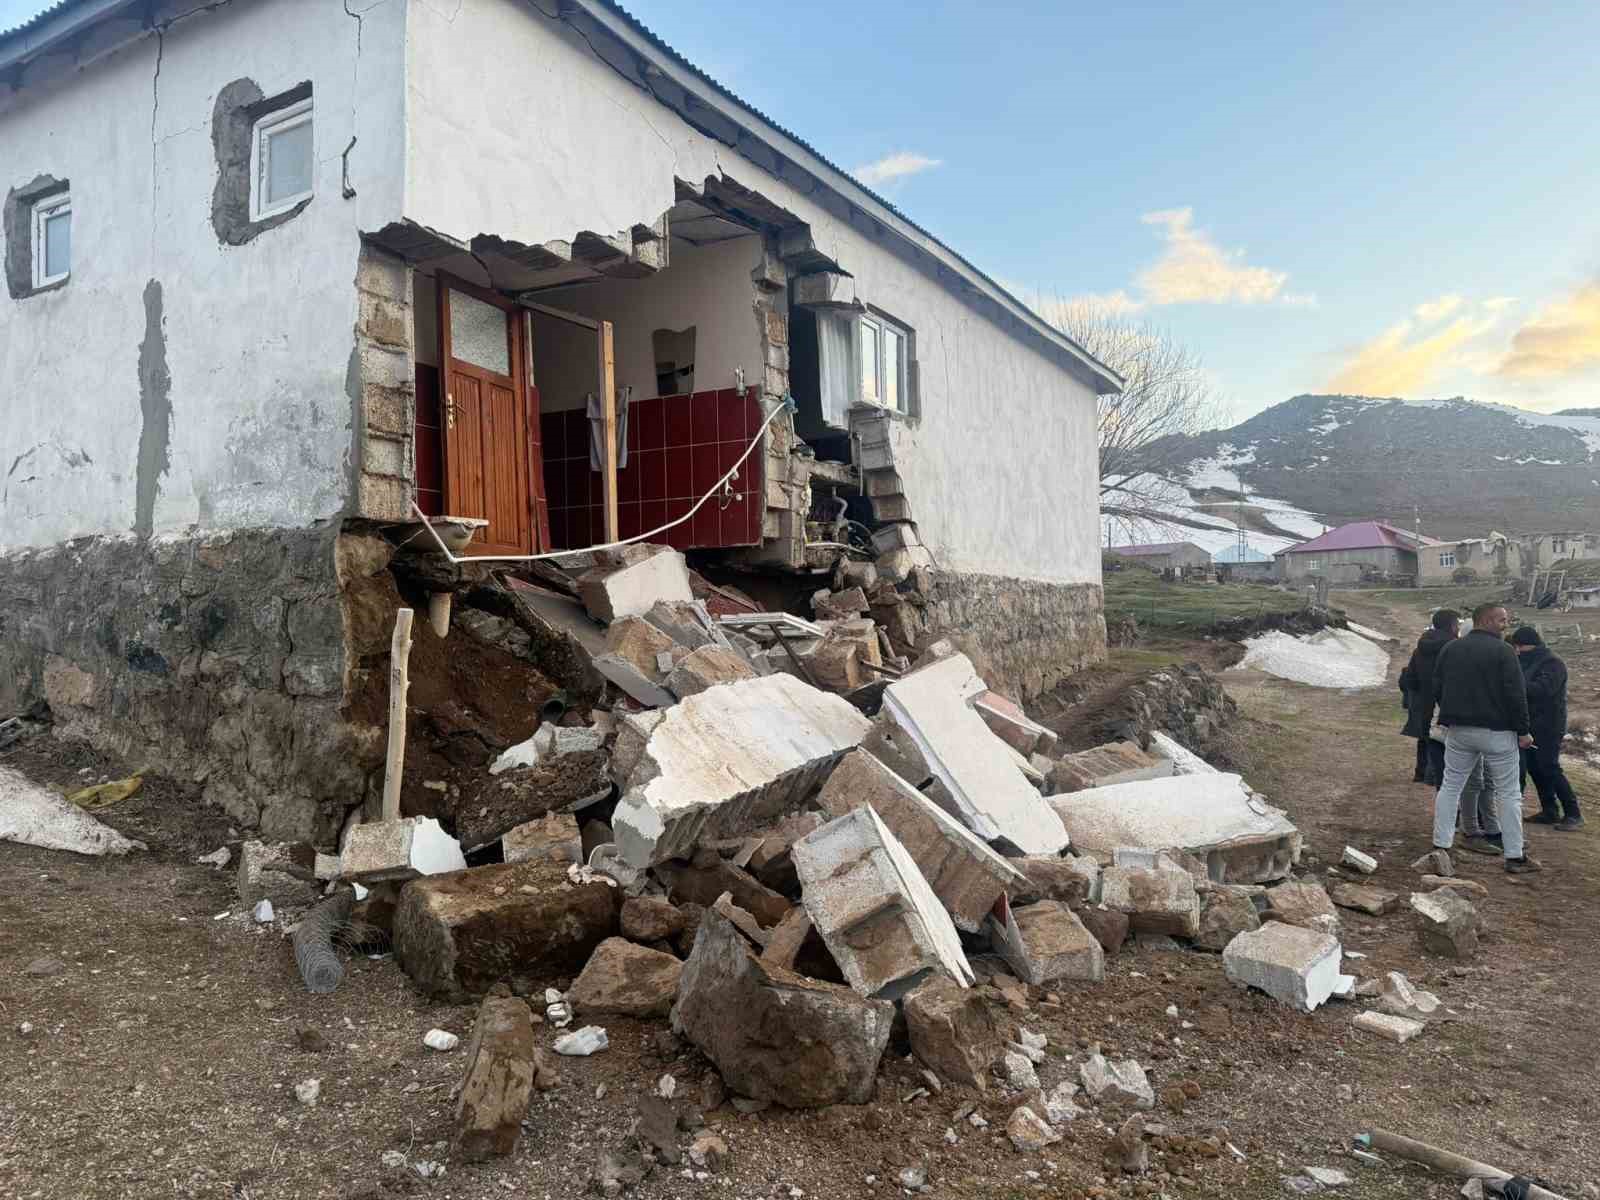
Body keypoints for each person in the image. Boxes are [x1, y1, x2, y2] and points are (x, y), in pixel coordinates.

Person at [1431, 602, 1542, 873]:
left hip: (1458, 730)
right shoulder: (1504, 651)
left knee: (1450, 786)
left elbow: (1438, 686)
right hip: (1497, 732)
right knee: (1509, 793)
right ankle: (1514, 856)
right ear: (1486, 621)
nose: (1506, 625)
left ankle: (1441, 845)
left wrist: (1452, 714)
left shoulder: (1451, 648)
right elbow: (1516, 695)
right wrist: (1523, 731)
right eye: (1502, 620)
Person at [1510, 626, 1584, 831]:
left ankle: (1573, 813)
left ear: (1527, 645)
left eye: (1519, 646)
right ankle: (1549, 810)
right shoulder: (1526, 661)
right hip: (1531, 724)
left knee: (1549, 767)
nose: (1517, 650)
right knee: (1535, 767)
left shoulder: (1552, 663)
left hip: (1549, 725)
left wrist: (1513, 684)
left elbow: (1543, 690)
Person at [1400, 609, 1460, 785]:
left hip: (1422, 699)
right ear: (1451, 626)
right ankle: (1433, 775)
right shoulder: (1454, 647)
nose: (1458, 628)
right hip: (1444, 698)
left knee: (1425, 735)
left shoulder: (1421, 646)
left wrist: (1415, 696)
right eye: (1457, 624)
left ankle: (1420, 772)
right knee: (1441, 737)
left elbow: (1410, 677)